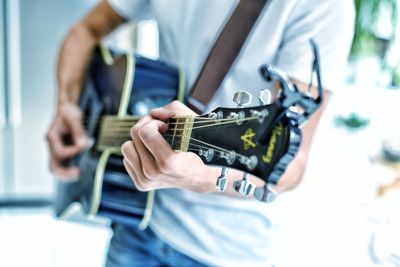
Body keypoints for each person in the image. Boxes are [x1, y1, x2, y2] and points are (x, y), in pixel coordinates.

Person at [46, 0, 355, 266]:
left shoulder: (323, 6)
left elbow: (290, 164)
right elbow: (85, 32)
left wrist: (203, 178)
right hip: (140, 221)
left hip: (227, 249)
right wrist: (67, 106)